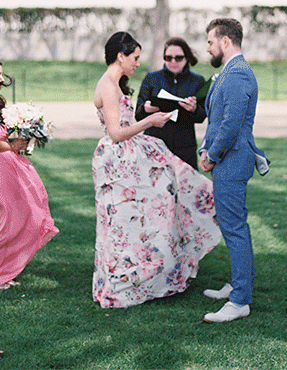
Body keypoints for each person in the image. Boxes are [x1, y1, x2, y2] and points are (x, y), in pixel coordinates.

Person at [92, 31, 220, 308]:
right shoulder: (108, 86)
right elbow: (115, 133)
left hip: (131, 156)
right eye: (135, 58)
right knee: (120, 223)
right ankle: (121, 280)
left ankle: (151, 268)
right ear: (121, 56)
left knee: (145, 215)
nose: (137, 63)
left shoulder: (116, 83)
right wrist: (150, 121)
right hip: (118, 160)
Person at [199, 17, 269, 323]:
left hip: (233, 159)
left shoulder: (238, 74)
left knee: (235, 227)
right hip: (224, 157)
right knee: (231, 226)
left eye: (211, 42)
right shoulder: (229, 72)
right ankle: (237, 285)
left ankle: (240, 299)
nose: (208, 48)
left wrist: (212, 155)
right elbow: (216, 120)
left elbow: (231, 124)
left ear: (226, 42)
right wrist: (205, 148)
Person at [0, 56, 57, 290]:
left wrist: (26, 133)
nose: (1, 78)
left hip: (4, 166)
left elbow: (1, 137)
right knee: (0, 223)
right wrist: (13, 146)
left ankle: (1, 272)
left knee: (18, 217)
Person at [136, 37, 207, 169]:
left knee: (186, 188)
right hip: (154, 144)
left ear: (187, 58)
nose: (173, 61)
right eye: (168, 58)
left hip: (184, 147)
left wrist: (194, 109)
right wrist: (146, 108)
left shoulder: (197, 81)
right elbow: (138, 113)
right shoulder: (152, 78)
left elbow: (202, 116)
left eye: (178, 58)